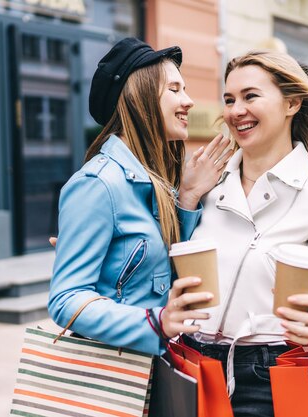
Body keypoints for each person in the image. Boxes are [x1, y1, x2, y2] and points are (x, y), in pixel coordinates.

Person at [160, 50, 308, 416]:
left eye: (251, 96)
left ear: (292, 103)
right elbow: (165, 270)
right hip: (190, 363)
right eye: (229, 99)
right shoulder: (206, 184)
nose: (235, 111)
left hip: (269, 374)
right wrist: (185, 197)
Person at [48, 38, 232, 355]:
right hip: (116, 374)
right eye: (174, 89)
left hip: (154, 365)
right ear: (139, 98)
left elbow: (166, 273)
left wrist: (187, 196)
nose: (188, 101)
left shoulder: (155, 181)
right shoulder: (98, 183)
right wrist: (155, 322)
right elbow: (66, 299)